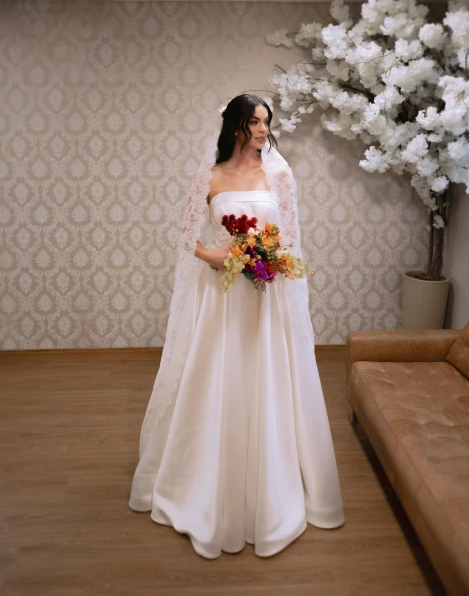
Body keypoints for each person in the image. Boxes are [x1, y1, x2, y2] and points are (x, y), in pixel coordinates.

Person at [129, 93, 345, 558]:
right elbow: (189, 237)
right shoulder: (209, 178)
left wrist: (269, 259)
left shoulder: (280, 176)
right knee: (216, 379)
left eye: (267, 122)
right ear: (235, 127)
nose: (264, 130)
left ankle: (271, 487)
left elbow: (291, 239)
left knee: (265, 382)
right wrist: (221, 255)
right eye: (254, 122)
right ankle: (202, 485)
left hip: (266, 298)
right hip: (221, 298)